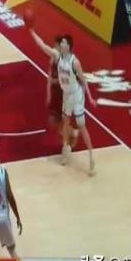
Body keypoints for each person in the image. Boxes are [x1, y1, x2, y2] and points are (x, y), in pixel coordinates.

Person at [30, 30, 96, 175]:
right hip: (66, 94)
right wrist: (31, 31)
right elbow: (42, 46)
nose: (61, 44)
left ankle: (91, 156)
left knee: (81, 125)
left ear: (69, 46)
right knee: (65, 123)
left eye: (64, 42)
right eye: (61, 42)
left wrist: (90, 98)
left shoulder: (75, 62)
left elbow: (84, 81)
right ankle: (65, 149)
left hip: (77, 95)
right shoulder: (57, 56)